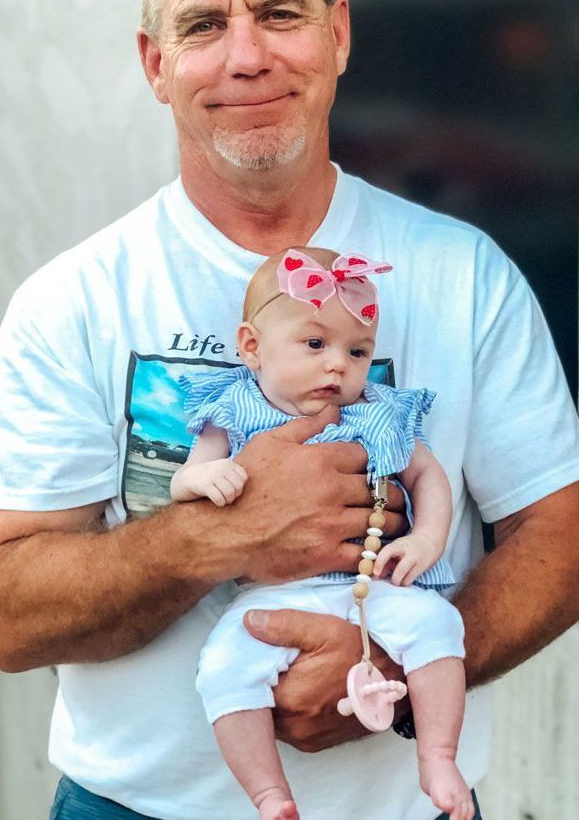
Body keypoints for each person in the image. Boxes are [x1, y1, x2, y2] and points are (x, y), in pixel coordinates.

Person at [0, 0, 579, 819]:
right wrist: (223, 533)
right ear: (155, 63)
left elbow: (569, 547)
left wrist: (384, 667)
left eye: (280, 13)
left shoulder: (464, 275)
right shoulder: (73, 300)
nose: (248, 55)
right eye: (202, 25)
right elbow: (5, 614)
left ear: (338, 35)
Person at [171, 246, 471, 820]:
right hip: (270, 595)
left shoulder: (377, 412)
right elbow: (185, 480)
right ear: (252, 347)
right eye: (315, 344)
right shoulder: (231, 408)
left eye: (357, 351)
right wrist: (207, 476)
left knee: (436, 623)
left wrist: (427, 540)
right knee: (225, 667)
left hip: (370, 584)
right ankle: (268, 794)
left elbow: (427, 475)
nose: (338, 365)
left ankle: (437, 755)